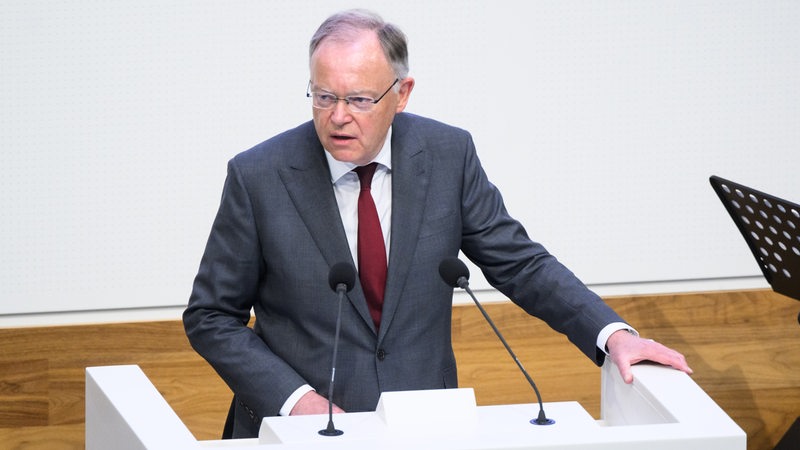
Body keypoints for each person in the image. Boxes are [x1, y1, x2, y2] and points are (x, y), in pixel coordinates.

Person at [183, 9, 692, 439]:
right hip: (297, 431)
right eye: (323, 96)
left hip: (421, 427)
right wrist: (295, 401)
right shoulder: (259, 176)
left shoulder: (448, 156)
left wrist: (612, 335)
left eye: (359, 99)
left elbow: (519, 262)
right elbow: (211, 316)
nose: (338, 117)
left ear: (401, 94)